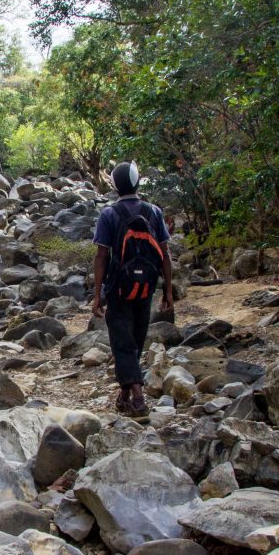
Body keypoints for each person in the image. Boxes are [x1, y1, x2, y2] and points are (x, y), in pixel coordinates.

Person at [91, 161, 174, 416]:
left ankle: (138, 398)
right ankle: (124, 395)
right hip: (146, 286)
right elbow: (165, 254)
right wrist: (168, 290)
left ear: (115, 186)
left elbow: (101, 257)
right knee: (136, 339)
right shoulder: (154, 212)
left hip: (119, 287)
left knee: (123, 342)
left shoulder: (109, 214)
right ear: (138, 183)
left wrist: (98, 294)